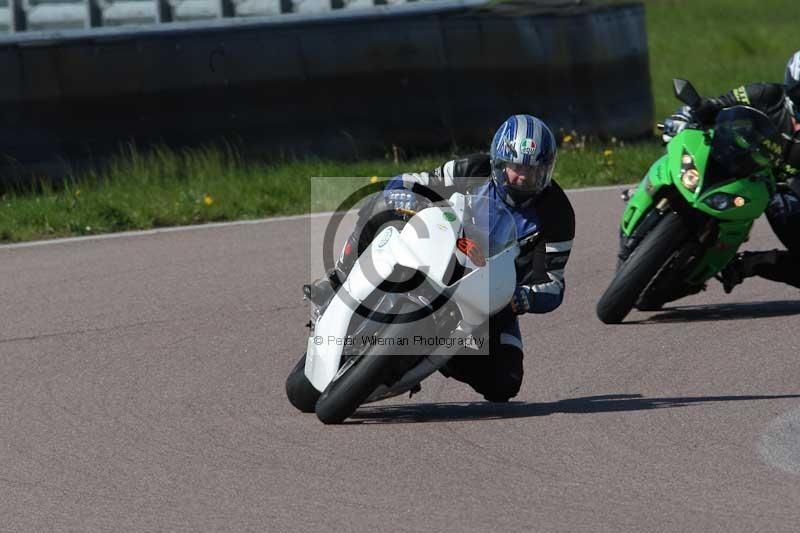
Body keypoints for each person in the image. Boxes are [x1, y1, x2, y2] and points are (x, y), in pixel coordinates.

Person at [304, 114, 575, 402]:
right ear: (499, 161)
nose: (523, 177)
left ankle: (438, 355)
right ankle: (336, 279)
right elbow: (417, 180)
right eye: (517, 167)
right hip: (436, 251)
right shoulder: (471, 168)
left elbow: (553, 284)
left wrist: (526, 298)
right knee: (379, 205)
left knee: (505, 383)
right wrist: (402, 192)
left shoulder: (557, 214)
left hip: (490, 297)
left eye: (534, 171)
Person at [660, 51, 800, 292]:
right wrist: (685, 117)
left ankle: (749, 264)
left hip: (777, 195)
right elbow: (715, 106)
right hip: (732, 162)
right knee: (683, 148)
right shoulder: (766, 94)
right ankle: (653, 191)